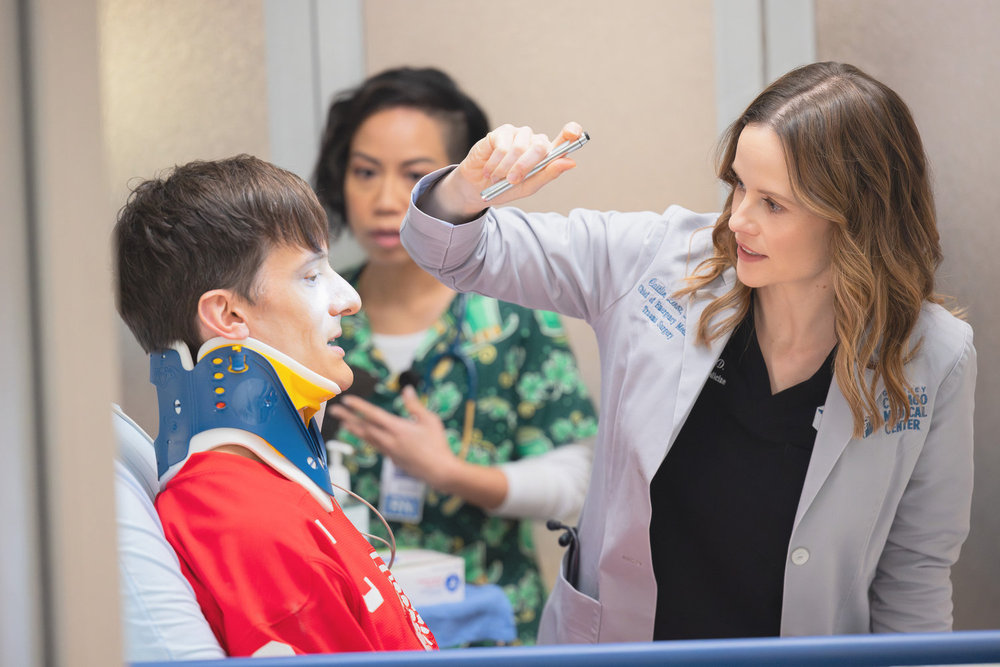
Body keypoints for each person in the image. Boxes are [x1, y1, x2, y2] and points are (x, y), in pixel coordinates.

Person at [399, 61, 977, 642]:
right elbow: (456, 252)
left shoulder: (932, 355)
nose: (737, 220)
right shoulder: (655, 261)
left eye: (773, 204)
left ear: (858, 219)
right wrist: (469, 188)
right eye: (737, 185)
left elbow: (915, 573)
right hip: (624, 649)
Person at [312, 66, 598, 644]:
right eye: (365, 172)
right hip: (349, 625)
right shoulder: (314, 307)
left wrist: (453, 474)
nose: (387, 199)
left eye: (415, 175)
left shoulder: (514, 308)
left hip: (489, 629)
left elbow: (574, 483)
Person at [114, 155, 438, 656]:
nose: (349, 298)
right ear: (227, 313)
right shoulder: (244, 524)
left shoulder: (276, 495)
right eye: (311, 276)